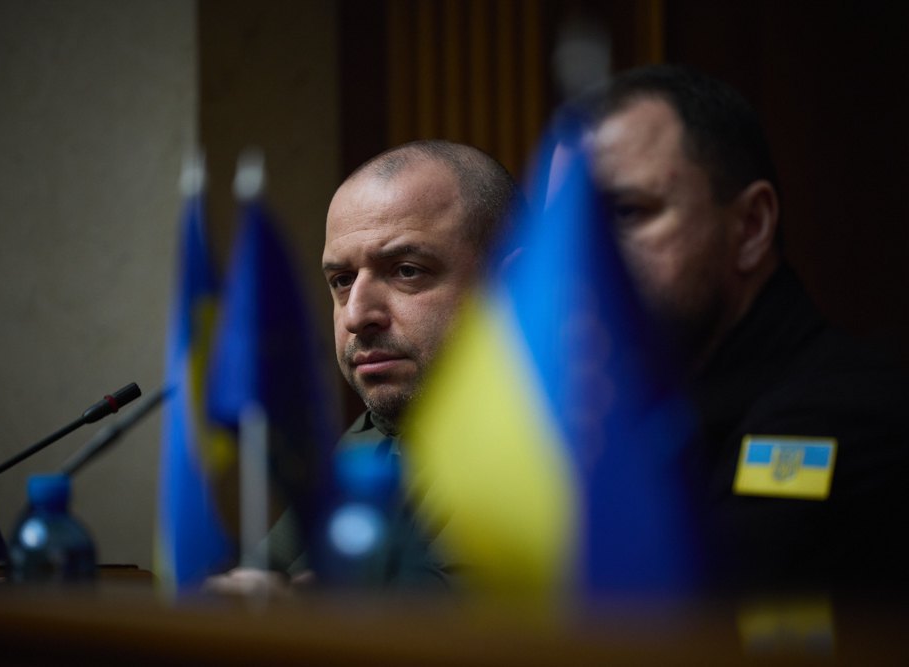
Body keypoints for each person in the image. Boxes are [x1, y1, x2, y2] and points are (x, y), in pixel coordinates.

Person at [580, 64, 909, 596]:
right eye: (574, 230)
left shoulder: (846, 414)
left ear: (752, 227)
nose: (586, 261)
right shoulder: (627, 414)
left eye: (628, 212)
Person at [205, 139, 520, 595]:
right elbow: (266, 576)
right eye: (342, 280)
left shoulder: (557, 437)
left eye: (406, 270)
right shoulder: (370, 435)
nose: (355, 315)